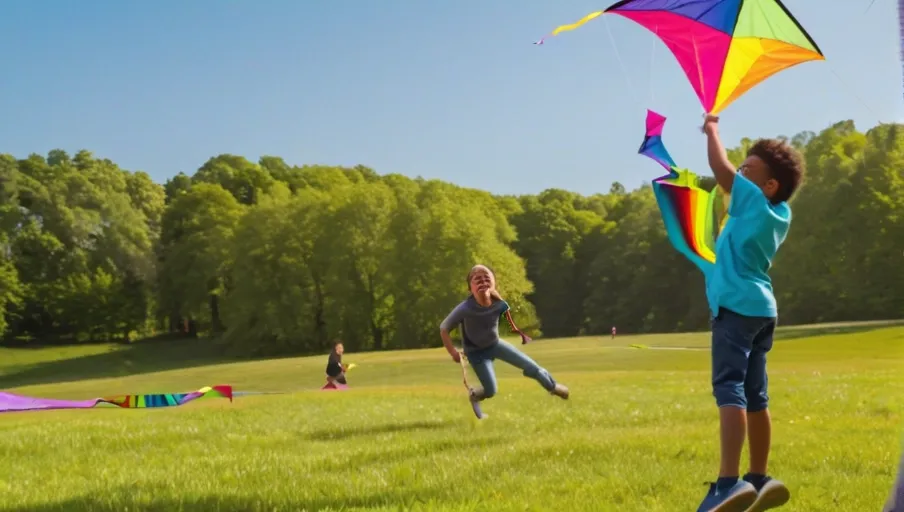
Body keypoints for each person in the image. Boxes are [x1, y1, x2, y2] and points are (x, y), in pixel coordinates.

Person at [695, 115, 804, 512]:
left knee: (730, 390)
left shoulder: (754, 202)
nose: (739, 172)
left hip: (736, 310)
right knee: (756, 396)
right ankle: (758, 479)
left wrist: (712, 130)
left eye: (748, 169)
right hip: (761, 310)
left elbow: (720, 170)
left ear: (769, 186)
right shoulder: (777, 215)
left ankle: (728, 484)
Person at [439, 264, 569, 404]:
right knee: (491, 390)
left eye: (487, 278)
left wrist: (521, 333)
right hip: (476, 353)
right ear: (470, 289)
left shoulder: (499, 303)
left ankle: (553, 386)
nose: (483, 282)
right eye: (477, 279)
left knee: (532, 367)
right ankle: (476, 394)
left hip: (495, 345)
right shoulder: (465, 309)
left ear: (494, 283)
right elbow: (444, 328)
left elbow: (508, 317)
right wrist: (453, 352)